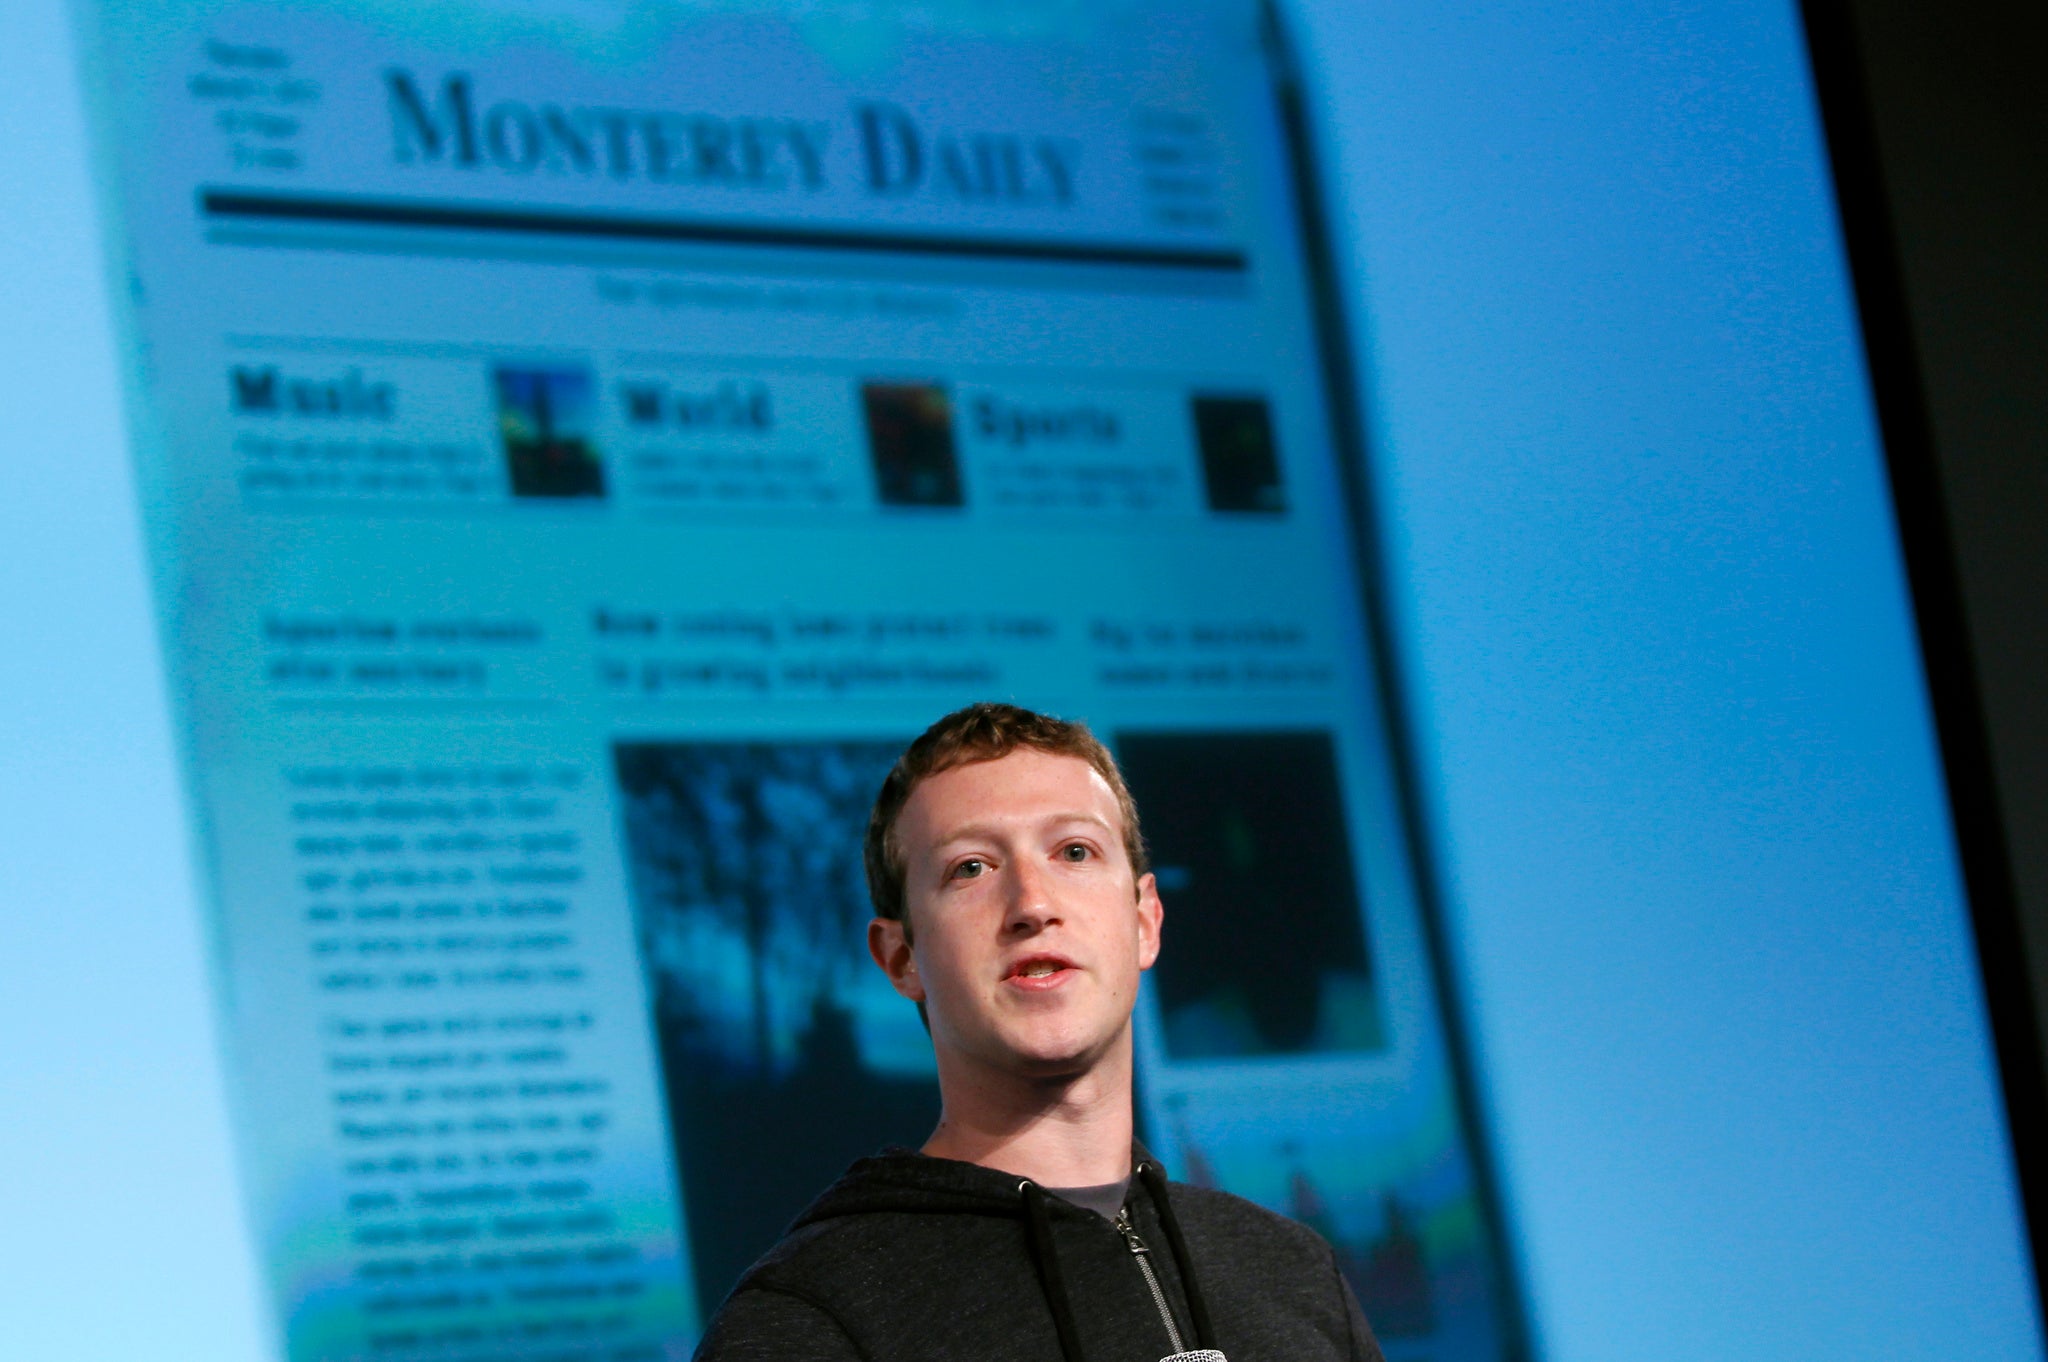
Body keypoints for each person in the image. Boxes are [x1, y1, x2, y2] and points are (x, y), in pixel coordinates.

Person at [693, 702, 1383, 1362]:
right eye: (971, 868)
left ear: (1144, 920)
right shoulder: (808, 1319)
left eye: (1074, 851)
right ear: (902, 958)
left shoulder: (1293, 1275)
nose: (1032, 903)